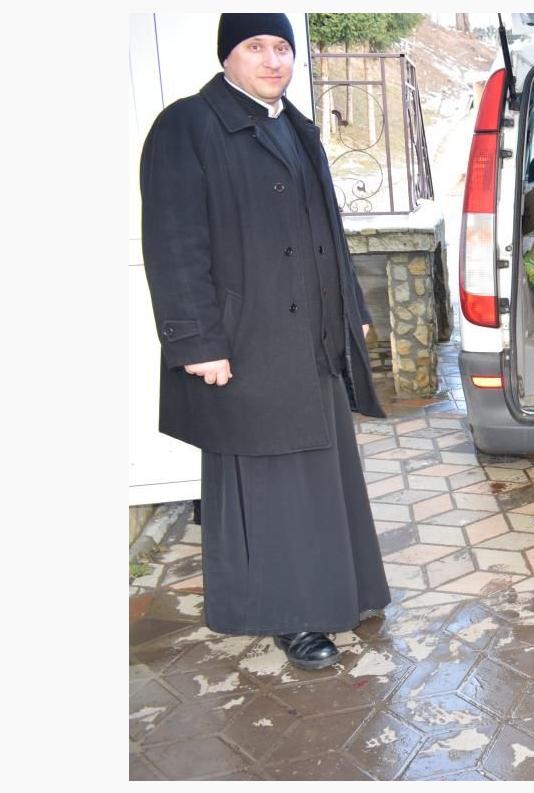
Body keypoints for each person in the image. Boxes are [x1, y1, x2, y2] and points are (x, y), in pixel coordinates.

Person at [140, 14, 391, 670]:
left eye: (282, 47)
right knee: (270, 488)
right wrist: (197, 341)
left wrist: (353, 308)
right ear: (228, 55)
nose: (274, 59)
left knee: (325, 476)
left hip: (313, 338)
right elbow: (173, 242)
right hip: (247, 342)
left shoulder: (295, 127)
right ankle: (289, 616)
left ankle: (345, 591)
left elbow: (328, 231)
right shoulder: (187, 126)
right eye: (256, 46)